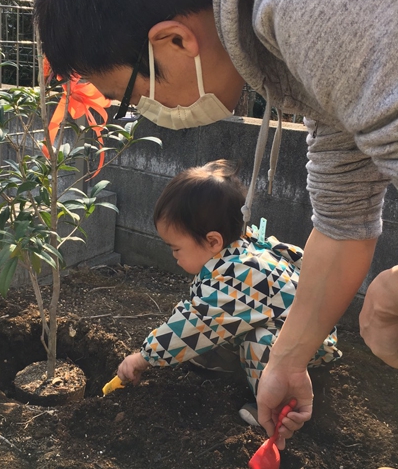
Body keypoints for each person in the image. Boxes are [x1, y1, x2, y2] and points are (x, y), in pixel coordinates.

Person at [35, 0, 398, 449]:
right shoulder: (296, 37)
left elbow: (199, 320)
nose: (146, 114)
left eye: (132, 97)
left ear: (176, 40)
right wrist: (289, 359)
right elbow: (343, 221)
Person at [116, 160, 342, 429]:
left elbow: (194, 323)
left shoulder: (237, 275)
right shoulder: (235, 255)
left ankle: (279, 407)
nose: (173, 257)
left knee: (260, 340)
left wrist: (143, 357)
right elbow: (201, 311)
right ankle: (232, 363)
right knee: (227, 328)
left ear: (213, 241)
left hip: (305, 344)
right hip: (287, 324)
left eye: (176, 249)